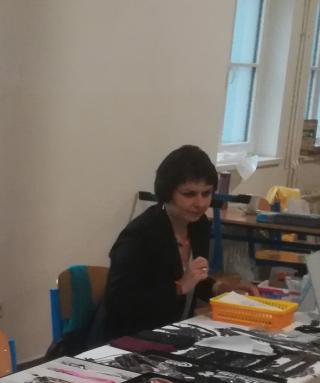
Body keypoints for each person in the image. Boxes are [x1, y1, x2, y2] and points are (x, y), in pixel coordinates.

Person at [96, 145, 231, 341]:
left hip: (174, 334)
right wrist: (179, 287)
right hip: (127, 340)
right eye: (189, 194)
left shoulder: (199, 225)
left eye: (206, 193)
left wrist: (219, 289)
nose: (200, 203)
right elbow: (121, 303)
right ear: (167, 193)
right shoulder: (139, 235)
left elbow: (192, 281)